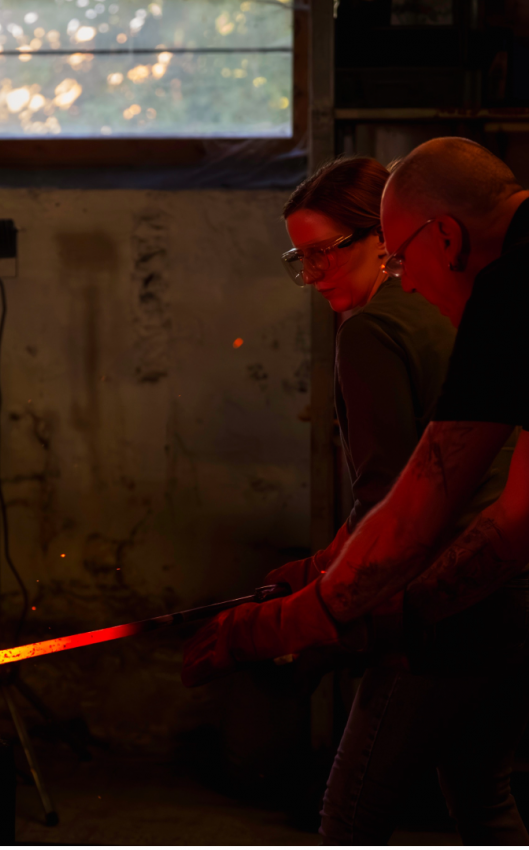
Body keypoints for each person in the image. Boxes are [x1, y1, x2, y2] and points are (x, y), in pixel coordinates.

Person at [182, 147, 529, 843]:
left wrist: (289, 623)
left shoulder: (437, 314)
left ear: (442, 237)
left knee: (351, 820)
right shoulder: (497, 299)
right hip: (509, 607)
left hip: (462, 618)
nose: (409, 284)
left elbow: (407, 511)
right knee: (481, 796)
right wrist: (325, 579)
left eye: (400, 260)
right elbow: (486, 500)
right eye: (301, 260)